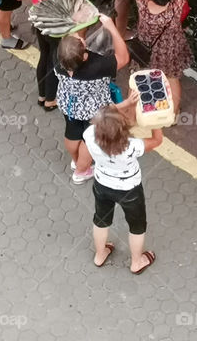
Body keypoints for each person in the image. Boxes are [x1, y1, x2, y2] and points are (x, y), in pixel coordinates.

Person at [83, 105, 162, 273]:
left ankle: (100, 254)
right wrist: (155, 120)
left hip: (102, 184)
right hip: (130, 191)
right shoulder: (131, 146)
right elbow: (157, 140)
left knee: (101, 219)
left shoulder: (90, 134)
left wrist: (125, 104)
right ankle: (136, 262)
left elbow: (103, 116)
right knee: (137, 226)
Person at [56, 16, 132, 183]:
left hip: (69, 104)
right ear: (84, 57)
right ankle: (81, 171)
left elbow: (69, 42)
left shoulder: (61, 57)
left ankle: (75, 161)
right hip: (93, 110)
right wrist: (111, 27)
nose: (80, 38)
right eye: (81, 43)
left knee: (72, 131)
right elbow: (123, 58)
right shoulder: (96, 66)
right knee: (89, 139)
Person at [133, 0, 194, 115]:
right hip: (170, 51)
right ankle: (173, 113)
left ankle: (143, 108)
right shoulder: (175, 7)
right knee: (172, 78)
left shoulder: (142, 3)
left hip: (146, 49)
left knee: (142, 76)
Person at [16, 0, 67, 110]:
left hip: (38, 22)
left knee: (44, 55)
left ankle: (42, 95)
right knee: (54, 61)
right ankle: (50, 100)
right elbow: (70, 7)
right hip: (54, 27)